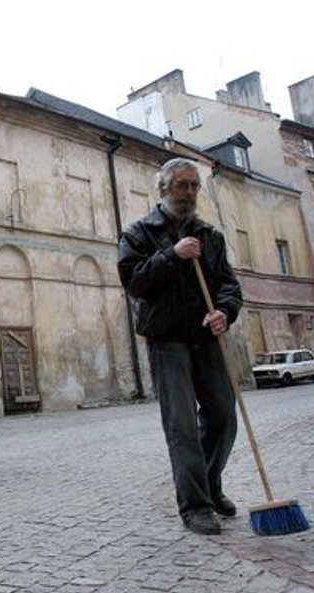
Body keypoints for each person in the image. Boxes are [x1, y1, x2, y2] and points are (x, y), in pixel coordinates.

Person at [117, 158, 243, 535]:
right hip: (166, 338)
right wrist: (171, 255)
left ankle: (208, 482)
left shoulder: (211, 236)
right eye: (182, 185)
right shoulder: (139, 233)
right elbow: (134, 282)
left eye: (194, 186)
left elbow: (228, 284)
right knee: (182, 424)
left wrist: (224, 310)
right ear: (164, 188)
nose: (189, 192)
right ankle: (195, 506)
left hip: (207, 337)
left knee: (223, 416)